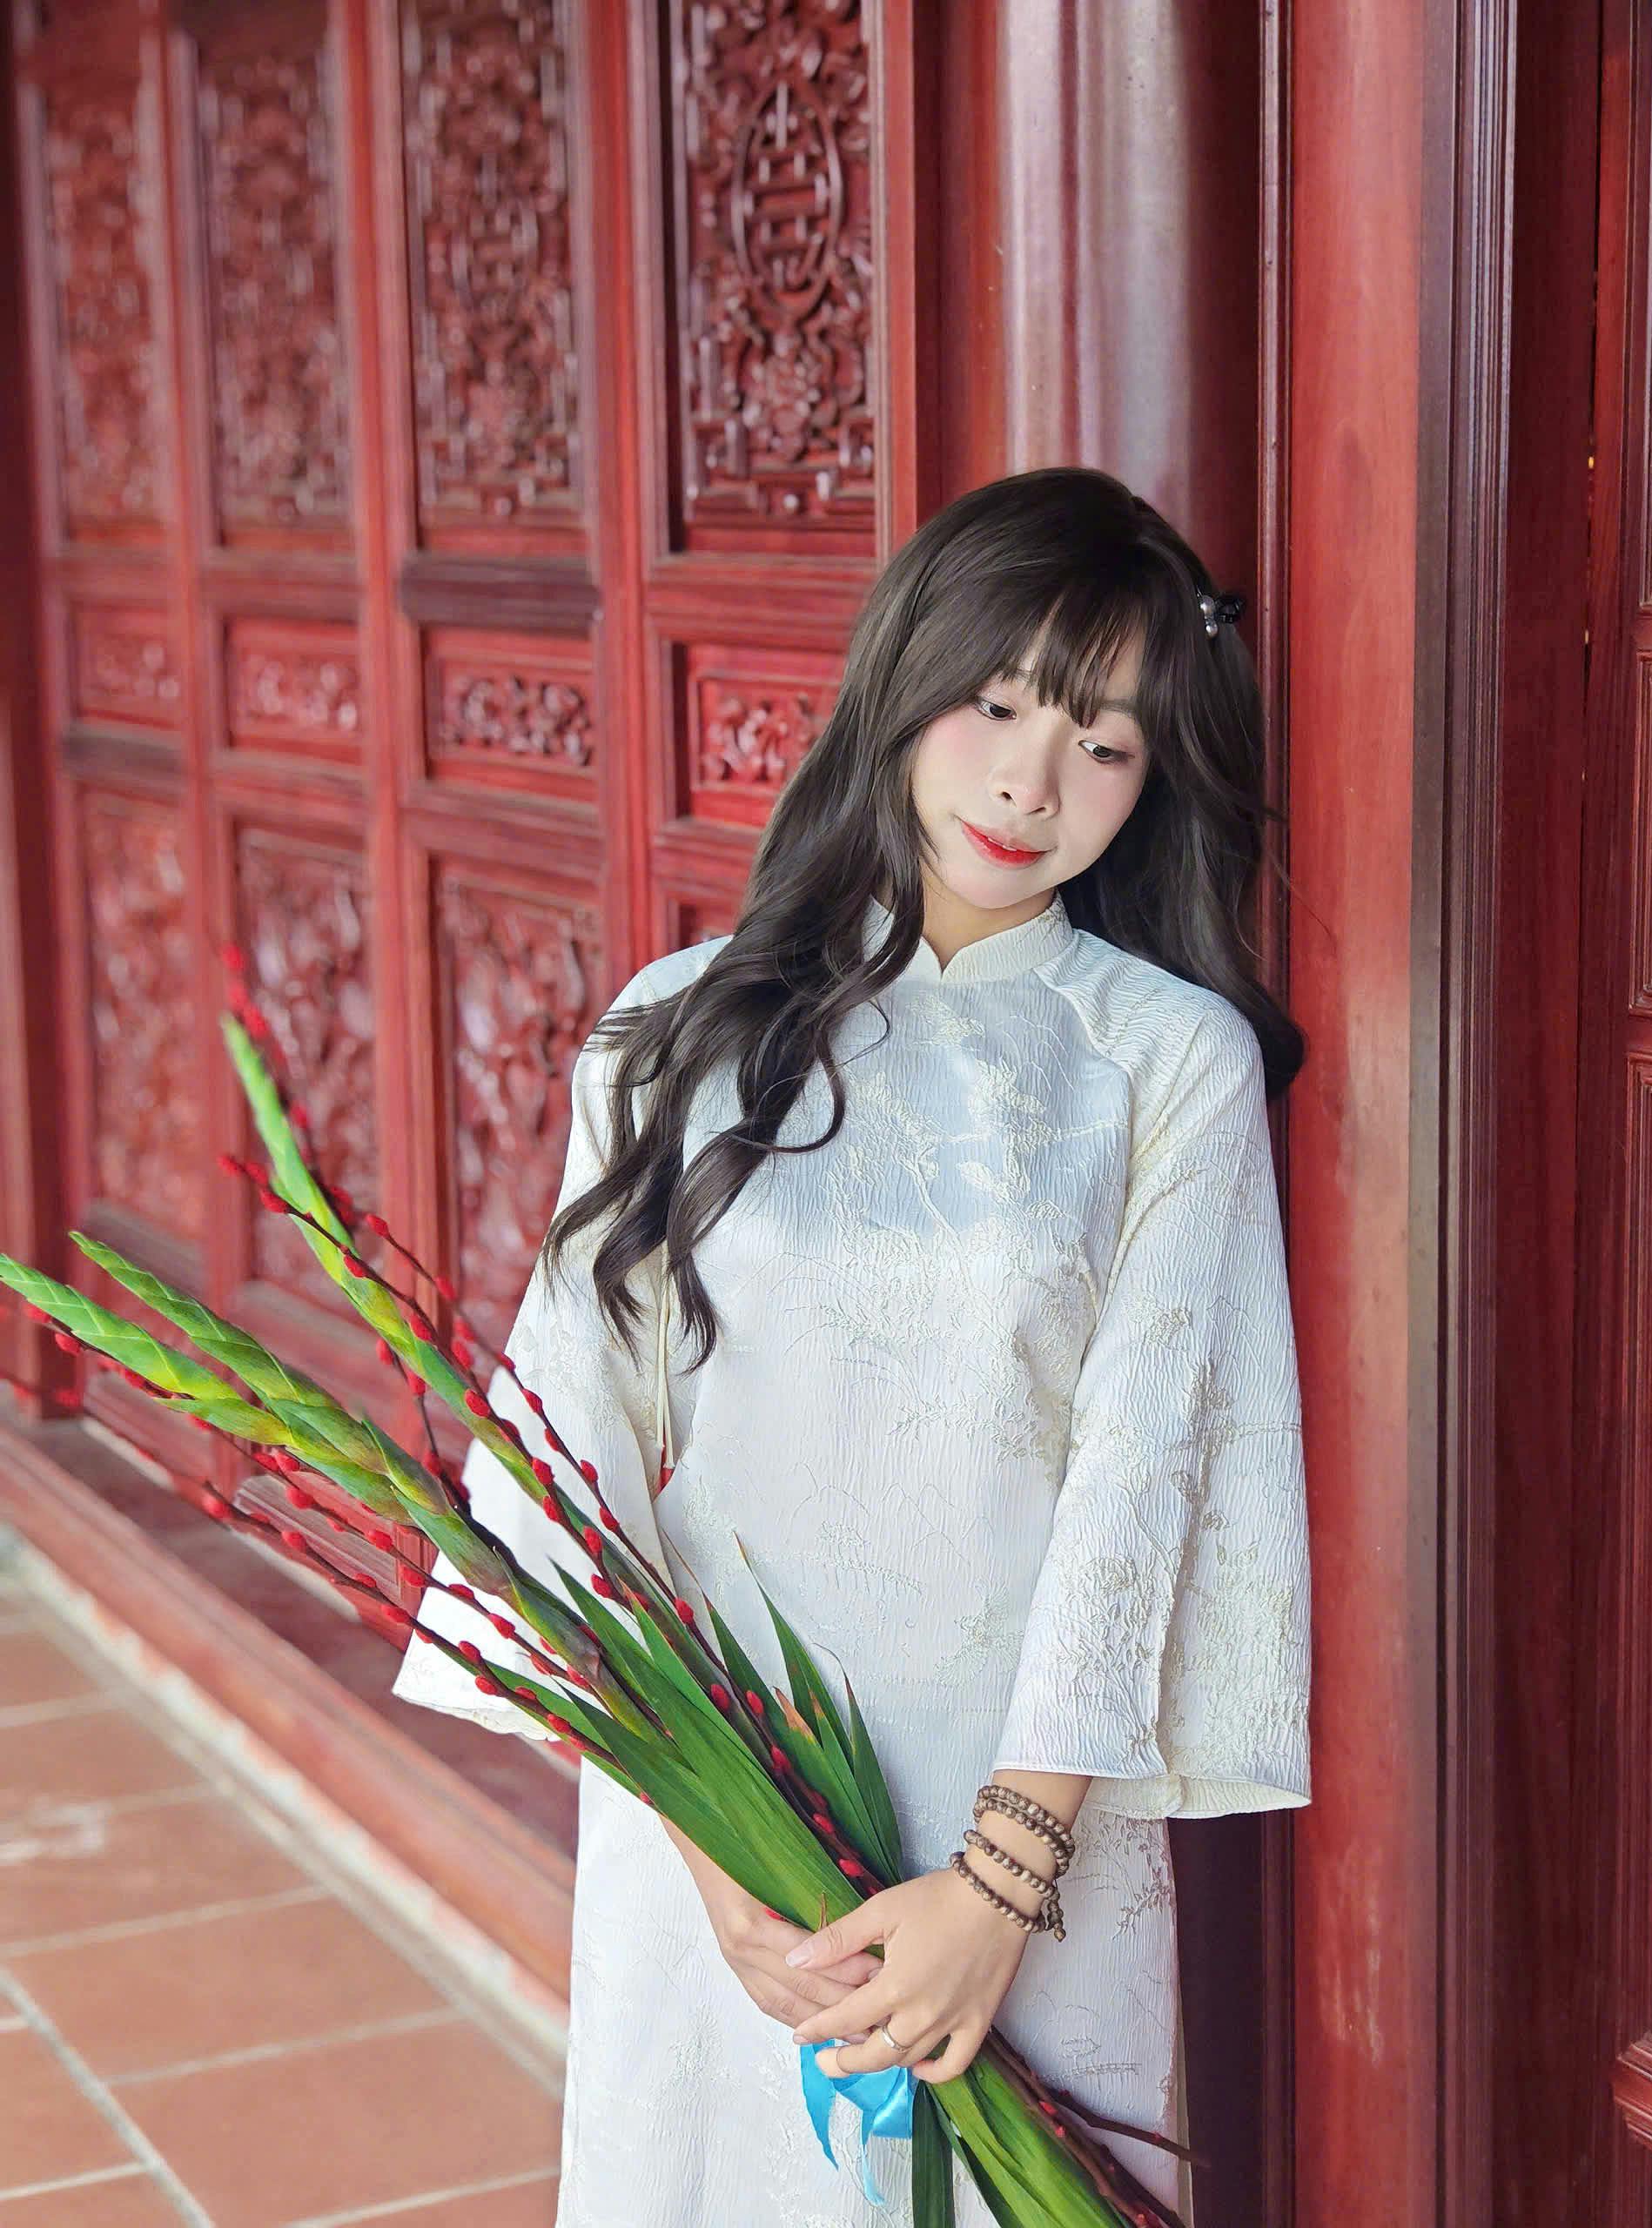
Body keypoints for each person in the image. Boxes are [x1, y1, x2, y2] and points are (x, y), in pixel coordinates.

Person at [392, 466, 1313, 2227]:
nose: (1034, 785)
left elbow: (1143, 1487)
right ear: (909, 675)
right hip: (721, 1792)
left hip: (1025, 1817)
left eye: (1107, 742)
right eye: (1000, 703)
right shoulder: (669, 1030)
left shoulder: (1166, 1062)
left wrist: (998, 1880)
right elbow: (572, 1461)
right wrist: (711, 1847)